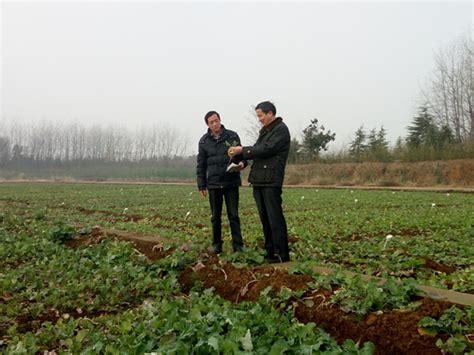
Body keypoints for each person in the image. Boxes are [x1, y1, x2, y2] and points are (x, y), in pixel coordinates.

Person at [228, 101, 291, 263]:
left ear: (270, 113)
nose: (259, 119)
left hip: (271, 180)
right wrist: (240, 159)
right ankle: (270, 251)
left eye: (261, 115)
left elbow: (267, 149)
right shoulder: (265, 132)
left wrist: (243, 150)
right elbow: (257, 150)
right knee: (265, 218)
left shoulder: (281, 130)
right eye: (258, 116)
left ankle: (281, 253)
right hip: (259, 180)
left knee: (274, 217)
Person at [196, 111, 247, 254]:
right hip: (213, 184)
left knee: (234, 216)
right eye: (211, 122)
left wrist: (242, 164)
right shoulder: (204, 141)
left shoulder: (232, 136)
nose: (214, 124)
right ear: (207, 124)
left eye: (216, 120)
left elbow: (243, 157)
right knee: (215, 217)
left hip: (231, 182)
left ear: (220, 120)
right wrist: (201, 184)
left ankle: (238, 246)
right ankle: (217, 245)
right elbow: (201, 165)